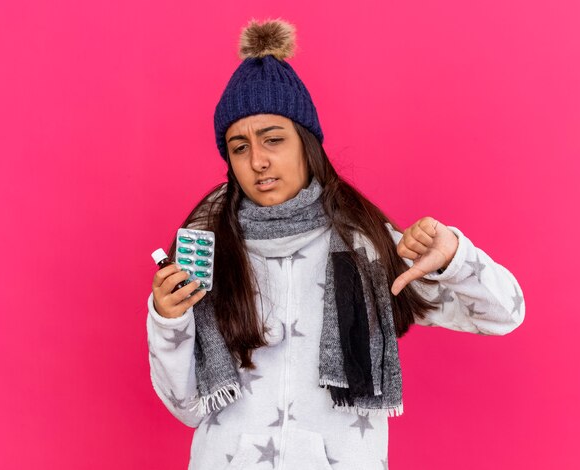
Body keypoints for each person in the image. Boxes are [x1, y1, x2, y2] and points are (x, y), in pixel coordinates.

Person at [146, 18, 525, 470]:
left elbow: (506, 314)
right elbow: (186, 408)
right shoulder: (210, 252)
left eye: (273, 139)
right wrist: (167, 322)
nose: (259, 160)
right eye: (239, 147)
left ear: (307, 145)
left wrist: (456, 259)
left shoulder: (366, 247)